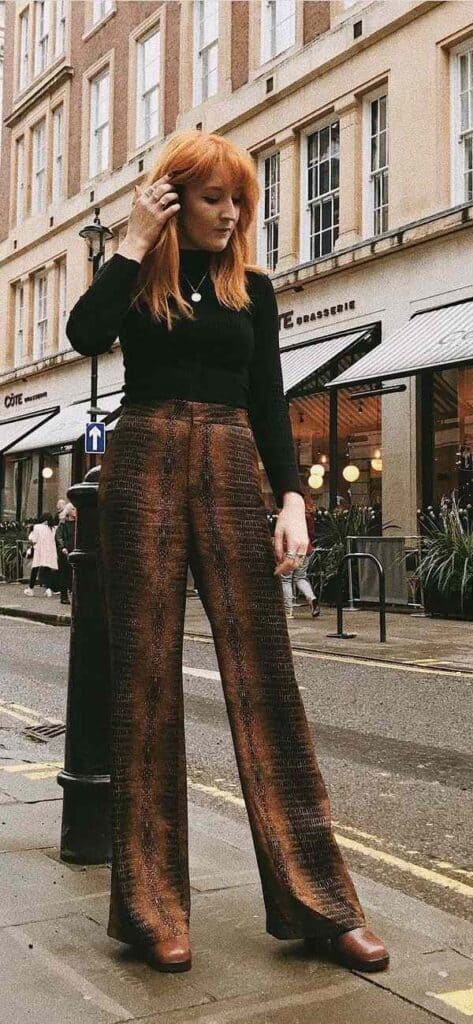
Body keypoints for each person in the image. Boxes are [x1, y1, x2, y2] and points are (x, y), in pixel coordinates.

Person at [66, 130, 388, 975]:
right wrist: (132, 242)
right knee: (143, 680)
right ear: (171, 199)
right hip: (142, 460)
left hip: (229, 458)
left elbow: (266, 397)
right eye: (211, 198)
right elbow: (84, 334)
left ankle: (320, 904)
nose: (230, 212)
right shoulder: (136, 278)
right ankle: (151, 911)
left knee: (266, 678)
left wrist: (292, 499)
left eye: (238, 199)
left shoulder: (252, 289)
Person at [24, 513, 58, 597]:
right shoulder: (53, 529)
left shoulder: (37, 527)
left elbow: (34, 539)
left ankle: (30, 589)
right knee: (48, 570)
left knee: (35, 569)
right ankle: (49, 589)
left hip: (39, 551)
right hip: (50, 551)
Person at [55, 502, 76, 605]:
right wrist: (62, 547)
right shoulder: (63, 523)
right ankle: (64, 597)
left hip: (75, 551)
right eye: (73, 509)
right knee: (65, 574)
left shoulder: (78, 524)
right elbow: (59, 536)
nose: (75, 511)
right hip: (66, 552)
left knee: (73, 575)